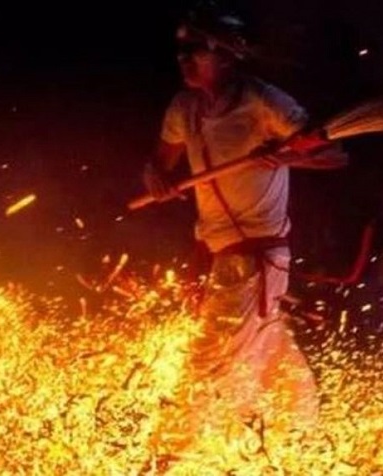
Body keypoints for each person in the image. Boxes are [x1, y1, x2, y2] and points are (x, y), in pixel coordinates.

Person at [142, 5, 348, 441]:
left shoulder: (264, 103)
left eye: (194, 50)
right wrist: (157, 180)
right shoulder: (184, 108)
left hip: (256, 259)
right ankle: (305, 444)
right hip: (221, 255)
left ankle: (167, 455)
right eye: (180, 50)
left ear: (225, 55)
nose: (183, 59)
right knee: (276, 365)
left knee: (206, 362)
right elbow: (158, 165)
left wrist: (287, 156)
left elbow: (335, 154)